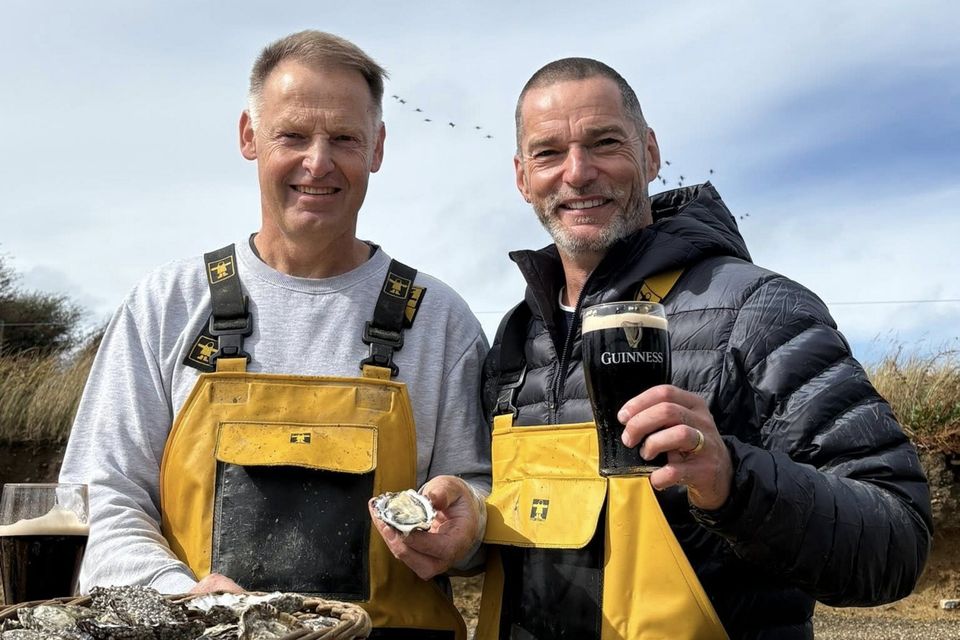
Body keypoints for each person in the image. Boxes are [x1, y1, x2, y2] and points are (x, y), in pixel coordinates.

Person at [475, 57, 932, 640]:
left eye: (604, 142)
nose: (578, 172)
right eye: (548, 153)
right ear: (521, 176)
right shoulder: (517, 339)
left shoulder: (758, 310)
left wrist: (731, 479)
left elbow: (898, 543)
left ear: (651, 152)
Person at [59, 30, 489, 639]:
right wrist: (180, 596)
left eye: (344, 138)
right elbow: (100, 496)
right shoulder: (168, 304)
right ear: (249, 136)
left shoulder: (440, 319)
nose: (318, 162)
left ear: (378, 148)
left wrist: (465, 527)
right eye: (293, 136)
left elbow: (479, 512)